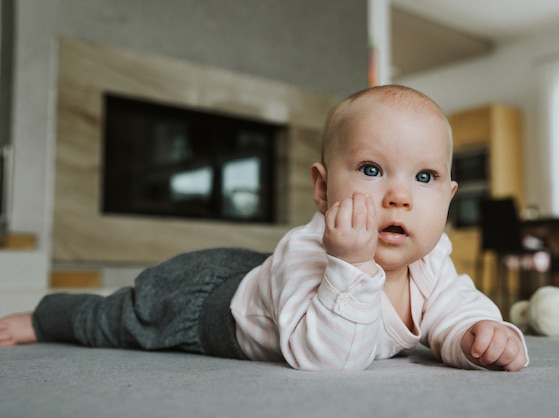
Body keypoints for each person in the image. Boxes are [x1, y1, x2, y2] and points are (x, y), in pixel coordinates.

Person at [0, 85, 528, 371]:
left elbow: (458, 310)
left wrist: (478, 338)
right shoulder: (312, 250)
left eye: (425, 176)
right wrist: (349, 264)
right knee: (117, 317)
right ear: (322, 191)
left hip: (258, 277)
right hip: (204, 301)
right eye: (371, 170)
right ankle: (45, 317)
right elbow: (329, 361)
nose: (399, 194)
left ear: (449, 198)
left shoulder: (432, 261)